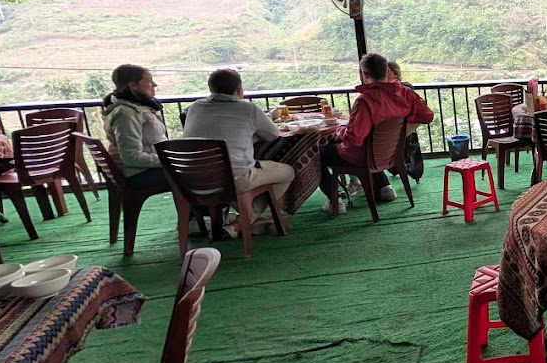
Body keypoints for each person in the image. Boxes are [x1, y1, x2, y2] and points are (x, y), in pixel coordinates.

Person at [321, 53, 434, 216]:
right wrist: (401, 131)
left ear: (365, 75)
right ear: (387, 71)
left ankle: (335, 202)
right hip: (392, 153)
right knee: (367, 147)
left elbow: (355, 139)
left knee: (320, 153)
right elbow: (427, 116)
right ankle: (384, 187)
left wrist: (339, 131)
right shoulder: (406, 94)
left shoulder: (365, 101)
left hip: (364, 157)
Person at [183, 68, 296, 230]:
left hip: (192, 182)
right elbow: (273, 134)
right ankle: (243, 221)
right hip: (231, 181)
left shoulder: (194, 107)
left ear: (211, 88)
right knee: (288, 172)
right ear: (239, 90)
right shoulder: (248, 109)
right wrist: (252, 135)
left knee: (239, 172)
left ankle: (242, 219)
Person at [102, 64, 169, 192]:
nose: (154, 85)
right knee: (196, 173)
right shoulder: (126, 114)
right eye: (148, 81)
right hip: (138, 173)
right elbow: (131, 157)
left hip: (147, 168)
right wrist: (167, 160)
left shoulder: (137, 107)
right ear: (133, 85)